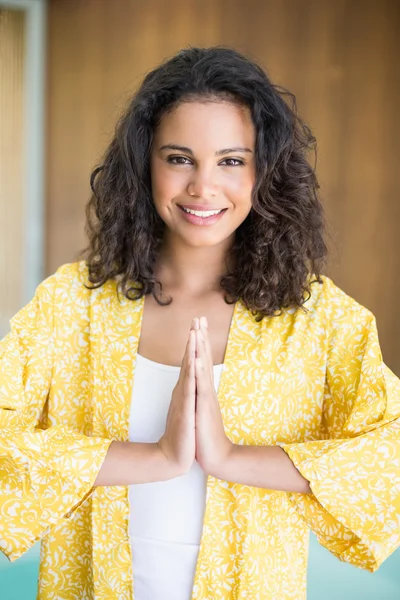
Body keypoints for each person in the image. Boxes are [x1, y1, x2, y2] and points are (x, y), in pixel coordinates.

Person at [0, 46, 399, 600]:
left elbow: (391, 454)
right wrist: (157, 457)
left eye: (232, 160)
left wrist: (231, 458)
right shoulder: (72, 305)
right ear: (145, 164)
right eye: (179, 158)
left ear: (266, 171)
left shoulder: (318, 319)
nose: (203, 187)